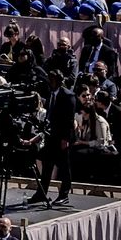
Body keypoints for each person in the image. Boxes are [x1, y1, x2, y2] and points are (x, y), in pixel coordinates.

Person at [28, 72, 77, 205]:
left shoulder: (68, 95)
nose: (50, 82)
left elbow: (69, 119)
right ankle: (41, 193)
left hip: (63, 137)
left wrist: (65, 139)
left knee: (64, 166)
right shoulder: (51, 94)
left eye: (52, 80)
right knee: (47, 164)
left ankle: (64, 195)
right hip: (51, 135)